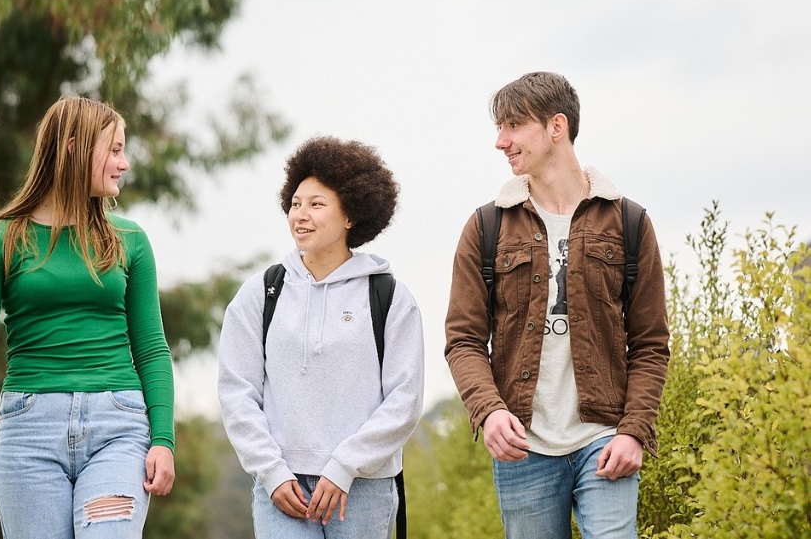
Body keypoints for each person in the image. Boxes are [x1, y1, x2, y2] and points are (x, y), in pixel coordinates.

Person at [444, 72, 670, 538]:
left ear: (556, 126)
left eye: (512, 126)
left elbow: (650, 344)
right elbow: (463, 340)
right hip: (524, 446)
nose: (500, 141)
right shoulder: (486, 227)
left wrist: (634, 431)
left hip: (605, 439)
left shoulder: (629, 221)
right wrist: (488, 411)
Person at [0, 96, 176, 537]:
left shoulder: (129, 240)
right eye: (113, 150)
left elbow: (151, 348)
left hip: (119, 427)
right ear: (74, 148)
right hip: (28, 431)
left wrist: (163, 438)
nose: (124, 163)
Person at [218, 136, 424, 538]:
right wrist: (272, 472)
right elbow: (236, 391)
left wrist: (344, 466)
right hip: (283, 488)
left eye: (316, 204)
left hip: (363, 487)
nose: (301, 214)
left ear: (351, 215)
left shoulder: (389, 298)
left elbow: (405, 399)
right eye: (295, 203)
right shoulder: (260, 293)